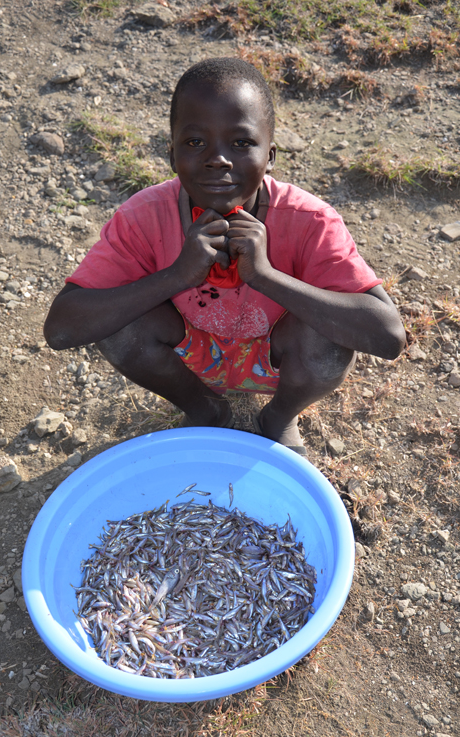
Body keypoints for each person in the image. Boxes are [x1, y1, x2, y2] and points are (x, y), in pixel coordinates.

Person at [44, 57, 405, 456]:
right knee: (119, 325)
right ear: (171, 153)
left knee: (330, 335)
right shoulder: (143, 217)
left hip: (278, 361)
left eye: (241, 143)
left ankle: (279, 417)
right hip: (191, 358)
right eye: (196, 142)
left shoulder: (310, 221)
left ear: (270, 155)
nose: (218, 159)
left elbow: (387, 336)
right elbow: (61, 329)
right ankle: (206, 411)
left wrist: (265, 276)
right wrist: (177, 275)